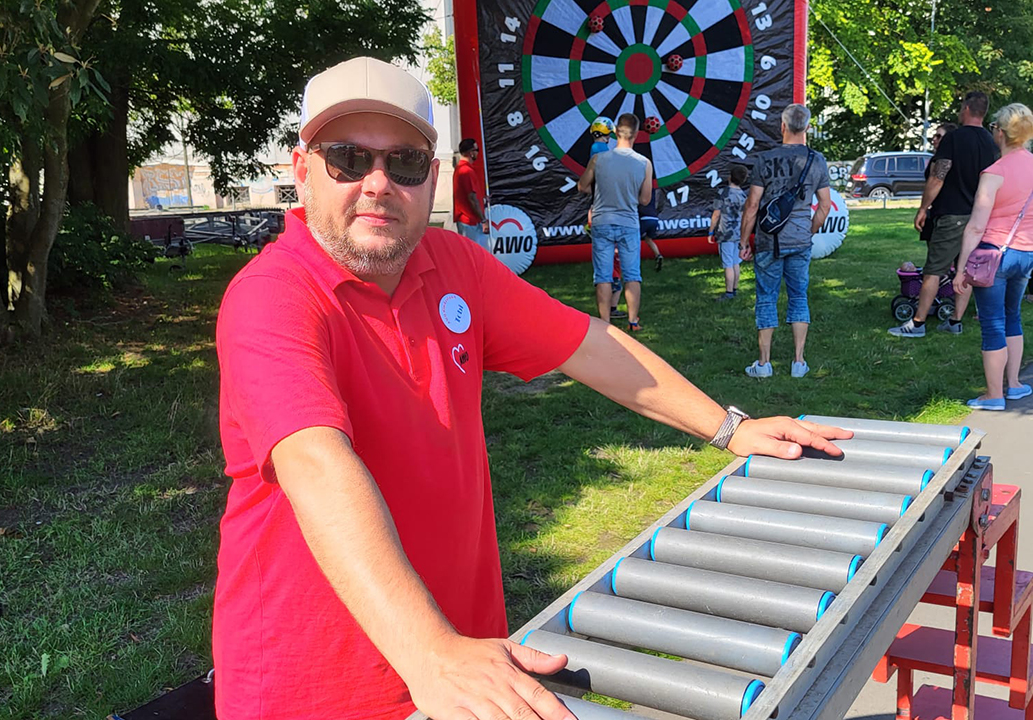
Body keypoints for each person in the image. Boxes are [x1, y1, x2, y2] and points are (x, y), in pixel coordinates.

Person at [212, 57, 851, 720]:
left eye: (404, 163)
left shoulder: (452, 264)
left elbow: (589, 345)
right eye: (347, 160)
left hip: (470, 666)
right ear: (302, 170)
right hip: (318, 688)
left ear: (432, 176)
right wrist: (430, 652)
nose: (377, 184)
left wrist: (731, 428)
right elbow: (316, 464)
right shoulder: (273, 295)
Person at [890, 92, 998, 337]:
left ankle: (917, 324)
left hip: (952, 215)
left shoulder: (954, 139)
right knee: (966, 269)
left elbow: (938, 176)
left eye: (961, 107)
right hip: (979, 216)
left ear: (967, 108)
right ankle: (955, 321)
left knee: (934, 270)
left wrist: (922, 208)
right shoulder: (992, 142)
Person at [738, 104, 832, 378]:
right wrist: (809, 231)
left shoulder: (765, 159)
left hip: (769, 240)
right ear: (807, 128)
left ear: (782, 126)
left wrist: (744, 241)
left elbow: (752, 205)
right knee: (799, 295)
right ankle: (799, 362)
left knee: (766, 298)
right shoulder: (817, 160)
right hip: (800, 241)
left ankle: (764, 364)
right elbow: (825, 206)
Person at [953, 103, 1033, 410]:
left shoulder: (994, 173)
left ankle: (993, 394)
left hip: (993, 254)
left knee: (992, 323)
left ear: (1000, 133)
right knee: (1013, 315)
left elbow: (976, 226)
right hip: (1026, 254)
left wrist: (961, 268)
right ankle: (1014, 384)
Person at [579, 113, 654, 330]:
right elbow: (645, 199)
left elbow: (582, 186)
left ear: (615, 132)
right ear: (636, 134)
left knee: (603, 276)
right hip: (628, 222)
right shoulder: (644, 163)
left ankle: (605, 324)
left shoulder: (598, 159)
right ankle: (633, 321)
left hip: (601, 221)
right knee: (632, 274)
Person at [708, 165, 749, 301]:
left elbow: (716, 214)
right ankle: (734, 289)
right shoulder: (743, 195)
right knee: (735, 262)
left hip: (725, 233)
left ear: (730, 177)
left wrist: (711, 231)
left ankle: (729, 293)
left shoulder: (723, 192)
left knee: (728, 264)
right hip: (738, 232)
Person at [453, 137, 490, 250]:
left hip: (469, 221)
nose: (478, 153)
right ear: (471, 153)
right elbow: (472, 199)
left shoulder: (462, 169)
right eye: (477, 150)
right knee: (473, 254)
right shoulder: (466, 171)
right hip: (469, 222)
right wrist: (483, 220)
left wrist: (483, 199)